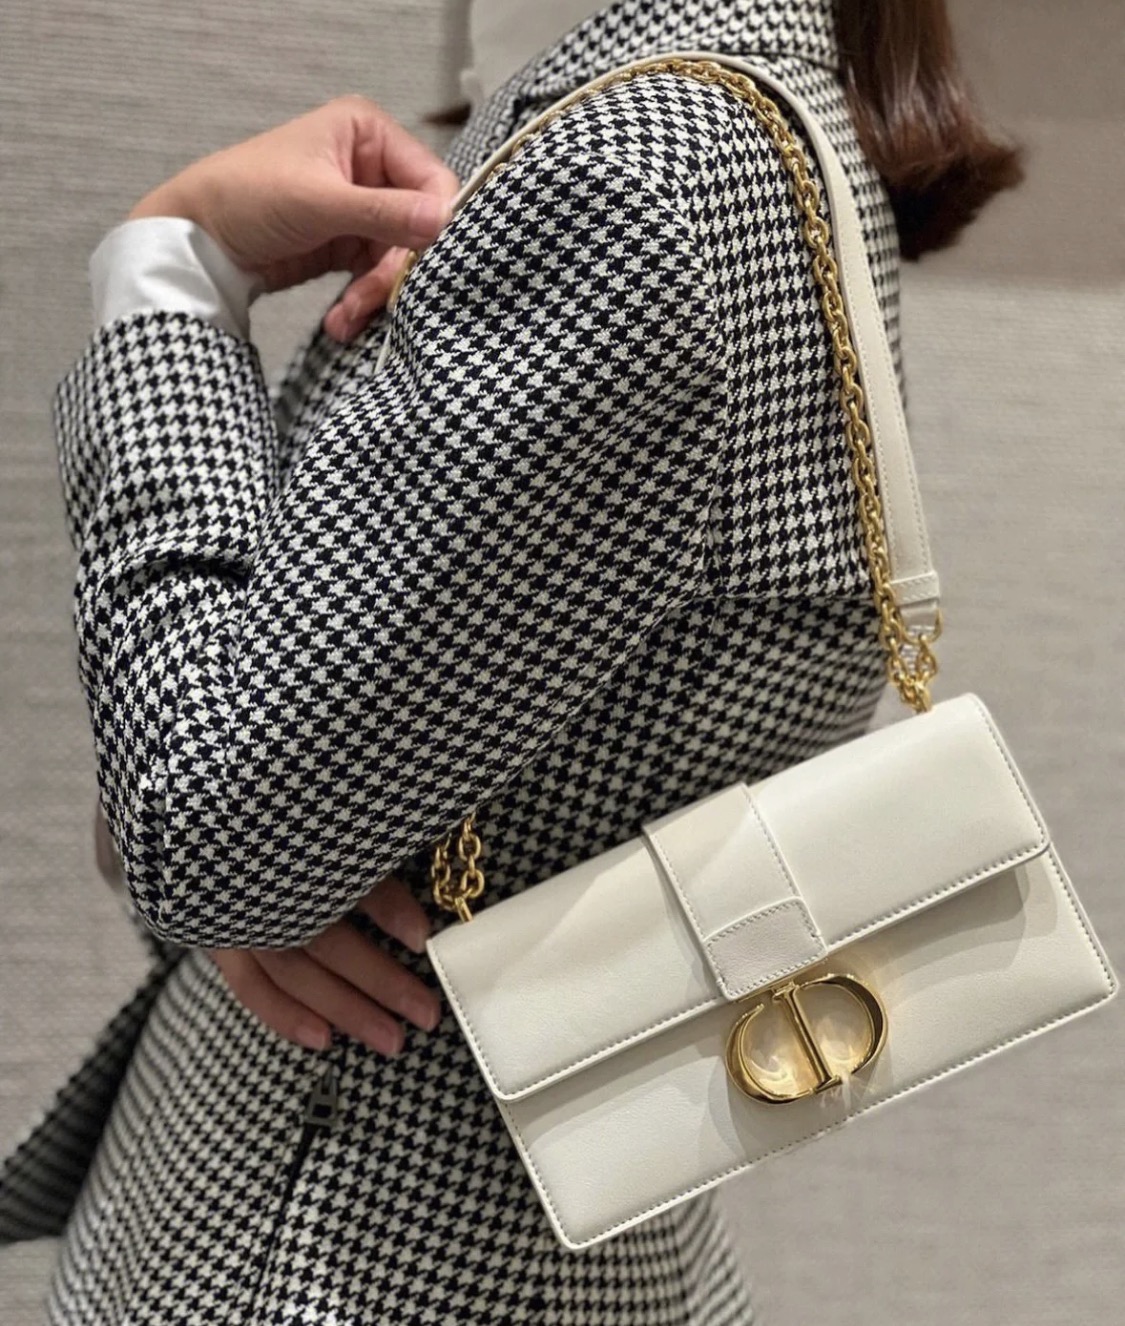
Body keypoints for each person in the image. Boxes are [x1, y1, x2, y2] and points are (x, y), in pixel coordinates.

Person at [1, 0, 1022, 1320]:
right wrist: (248, 851)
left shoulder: (643, 180)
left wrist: (169, 265)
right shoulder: (746, 124)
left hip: (344, 1244)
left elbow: (196, 827)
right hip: (474, 1235)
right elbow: (249, 805)